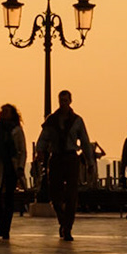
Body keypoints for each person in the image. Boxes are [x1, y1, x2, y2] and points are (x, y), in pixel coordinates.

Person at [36, 90, 92, 240]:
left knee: (72, 194)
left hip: (71, 158)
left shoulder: (77, 121)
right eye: (61, 101)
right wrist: (40, 151)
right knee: (55, 194)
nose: (63, 103)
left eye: (66, 101)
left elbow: (85, 142)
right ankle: (62, 220)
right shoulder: (51, 120)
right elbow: (43, 138)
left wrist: (89, 162)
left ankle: (68, 227)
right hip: (56, 158)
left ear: (70, 101)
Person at [0, 104, 27, 240]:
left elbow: (22, 150)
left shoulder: (17, 130)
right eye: (2, 111)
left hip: (11, 167)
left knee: (9, 198)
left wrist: (20, 167)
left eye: (6, 111)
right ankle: (1, 220)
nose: (3, 113)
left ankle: (6, 227)